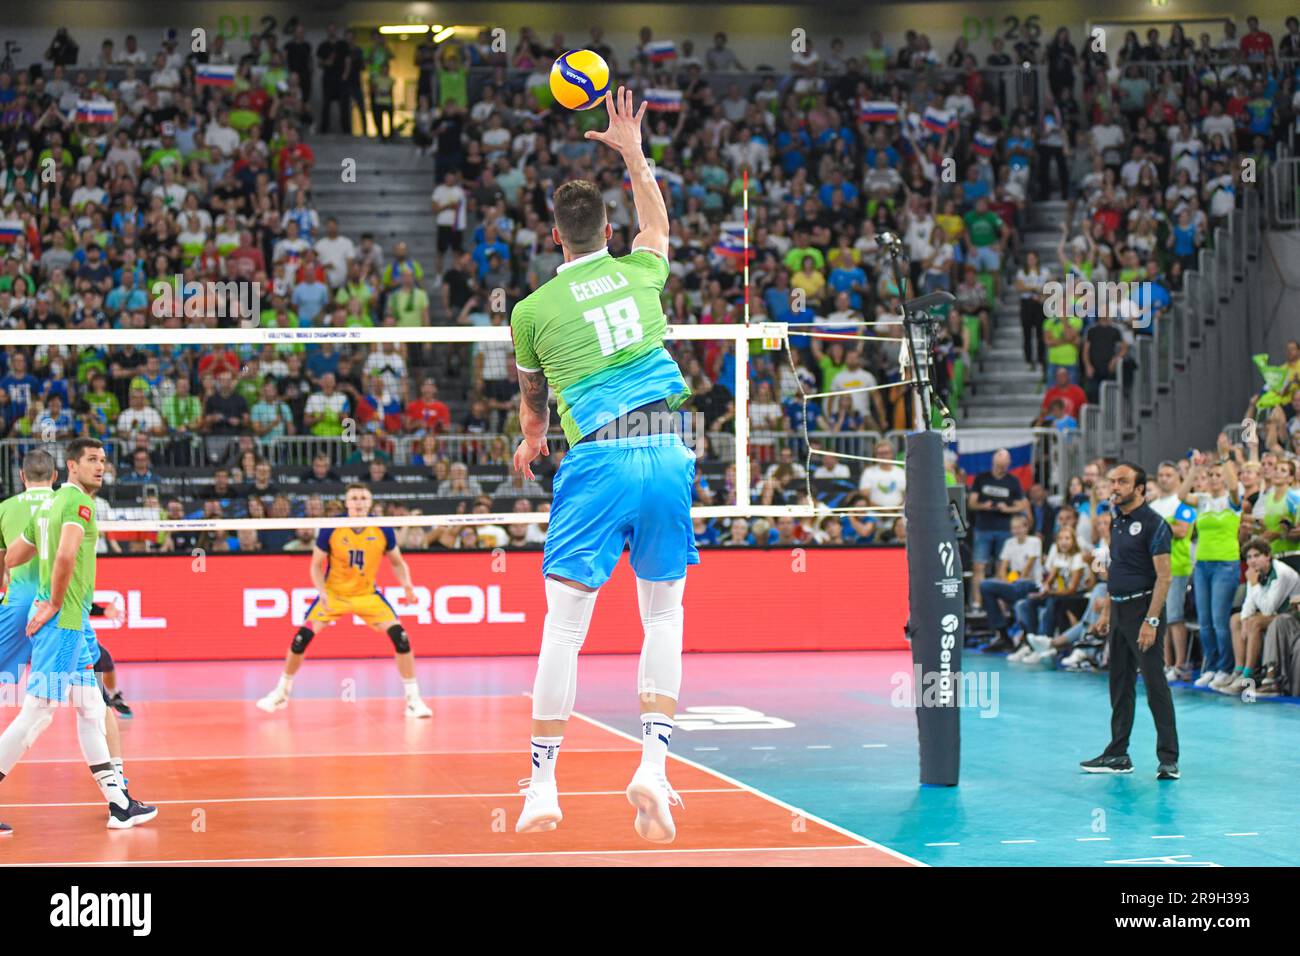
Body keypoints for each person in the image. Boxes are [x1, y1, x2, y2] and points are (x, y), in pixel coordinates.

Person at [511, 88, 693, 843]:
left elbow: (532, 405)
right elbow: (659, 221)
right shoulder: (641, 270)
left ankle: (543, 785)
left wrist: (531, 442)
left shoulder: (531, 311)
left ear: (556, 238)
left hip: (600, 456)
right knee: (664, 615)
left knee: (564, 629)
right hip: (671, 444)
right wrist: (630, 150)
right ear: (606, 231)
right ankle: (653, 764)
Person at [0, 439, 156, 832]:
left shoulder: (49, 505)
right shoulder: (79, 504)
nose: (100, 467)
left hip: (75, 623)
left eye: (103, 460)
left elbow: (12, 557)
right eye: (91, 460)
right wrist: (53, 601)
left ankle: (119, 804)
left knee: (90, 706)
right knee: (37, 714)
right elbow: (67, 554)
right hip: (64, 622)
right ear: (70, 465)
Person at [255, 484, 431, 718]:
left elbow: (397, 562)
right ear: (346, 502)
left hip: (367, 595)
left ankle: (413, 700)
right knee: (301, 639)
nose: (358, 502)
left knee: (401, 638)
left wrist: (407, 584)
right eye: (354, 498)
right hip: (334, 594)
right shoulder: (332, 527)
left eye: (363, 498)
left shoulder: (382, 528)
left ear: (370, 503)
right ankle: (281, 692)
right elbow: (316, 565)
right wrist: (322, 591)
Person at [1080, 461, 1180, 780]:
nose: (1114, 487)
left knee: (1154, 684)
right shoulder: (1116, 520)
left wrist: (1151, 622)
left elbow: (1164, 577)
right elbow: (1117, 568)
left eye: (1122, 482)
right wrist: (1108, 612)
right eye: (1112, 481)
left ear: (1139, 489)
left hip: (1143, 611)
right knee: (1119, 684)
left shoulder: (1155, 524)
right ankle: (1118, 754)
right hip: (1120, 610)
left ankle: (1168, 758)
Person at [1219, 537, 1300, 696]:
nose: (1252, 561)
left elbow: (1268, 609)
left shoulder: (1282, 573)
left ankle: (1248, 676)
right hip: (1273, 614)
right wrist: (1243, 622)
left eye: (1257, 556)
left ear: (1268, 555)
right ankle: (1239, 671)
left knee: (1254, 622)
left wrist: (1254, 584)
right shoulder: (1254, 573)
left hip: (1289, 617)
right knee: (1235, 619)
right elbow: (1249, 602)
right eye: (1249, 557)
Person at [967, 449, 1029, 641]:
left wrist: (1007, 508)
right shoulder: (982, 478)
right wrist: (984, 507)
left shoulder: (1012, 481)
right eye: (999, 464)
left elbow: (1022, 505)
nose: (1002, 467)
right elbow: (971, 503)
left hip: (1004, 528)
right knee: (979, 565)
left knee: (1000, 568)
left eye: (1005, 465)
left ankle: (999, 604)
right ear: (994, 462)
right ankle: (977, 604)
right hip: (983, 528)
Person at [1147, 461, 1196, 682]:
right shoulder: (1153, 505)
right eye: (1161, 474)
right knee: (1160, 617)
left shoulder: (1183, 504)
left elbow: (1181, 530)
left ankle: (1181, 664)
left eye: (1169, 474)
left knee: (1175, 617)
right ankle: (1166, 664)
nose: (1164, 478)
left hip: (1177, 567)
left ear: (1178, 477)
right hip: (1155, 569)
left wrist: (1159, 526)